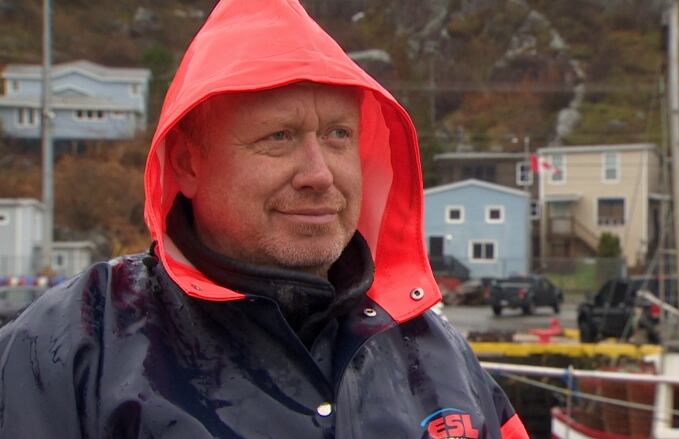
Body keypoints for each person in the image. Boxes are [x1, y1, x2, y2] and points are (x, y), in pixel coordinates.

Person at [0, 1, 530, 438]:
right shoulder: (77, 345)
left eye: (338, 135)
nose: (319, 174)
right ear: (187, 163)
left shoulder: (439, 354)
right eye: (279, 137)